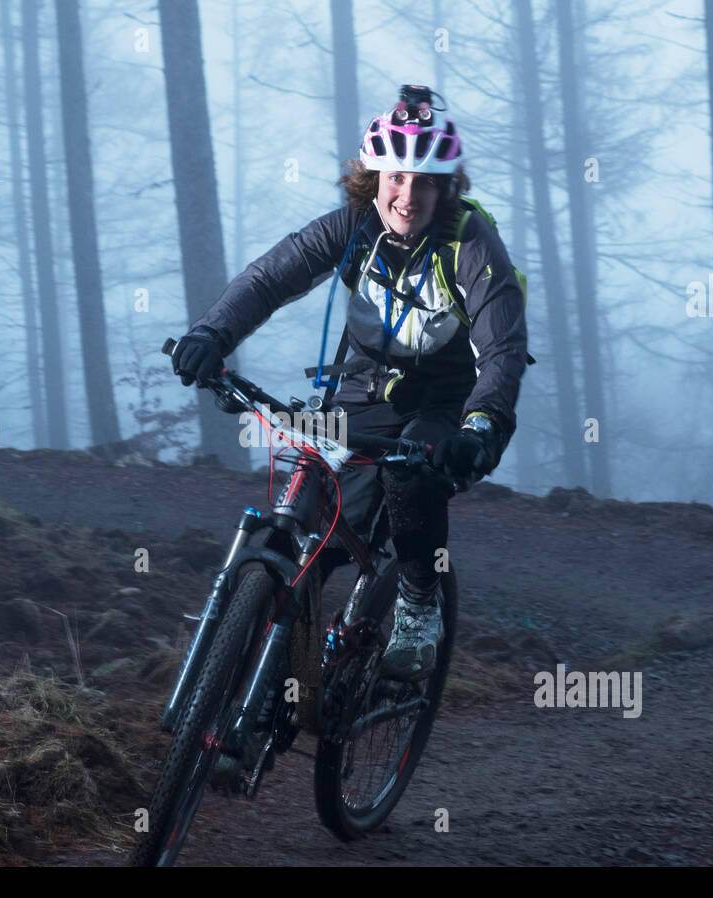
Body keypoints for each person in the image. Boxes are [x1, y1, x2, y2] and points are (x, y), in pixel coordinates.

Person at [172, 84, 530, 681]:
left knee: (408, 474)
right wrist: (212, 334)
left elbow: (502, 347)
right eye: (394, 177)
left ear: (445, 188)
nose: (407, 195)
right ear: (373, 177)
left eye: (423, 182)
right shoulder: (352, 227)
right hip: (360, 393)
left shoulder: (469, 243)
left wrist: (483, 424)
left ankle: (418, 601)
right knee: (319, 513)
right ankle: (265, 669)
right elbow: (268, 280)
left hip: (443, 403)